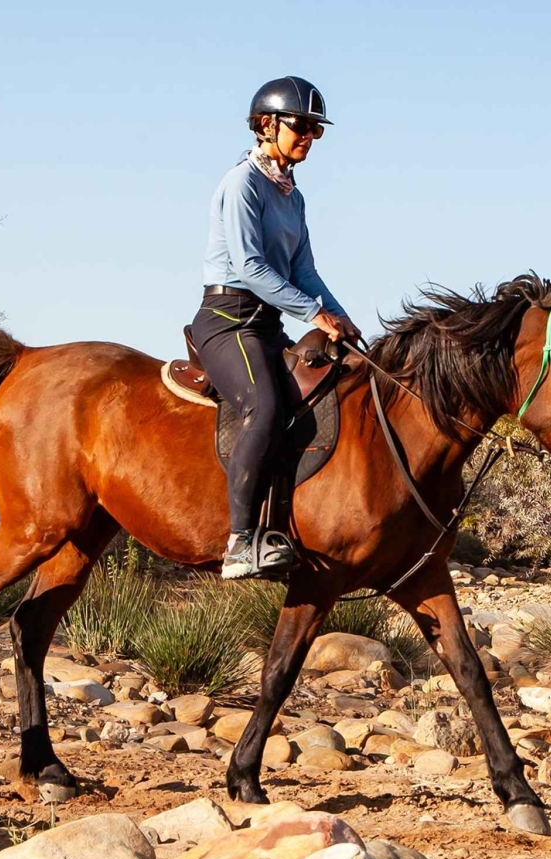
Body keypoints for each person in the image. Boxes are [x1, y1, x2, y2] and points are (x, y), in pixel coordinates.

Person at [193, 75, 360, 580]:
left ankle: (280, 528)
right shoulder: (242, 183)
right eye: (301, 126)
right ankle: (240, 541)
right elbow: (248, 265)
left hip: (265, 323)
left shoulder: (293, 195)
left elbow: (304, 272)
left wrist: (340, 316)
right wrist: (312, 314)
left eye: (316, 130)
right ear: (266, 124)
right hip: (227, 319)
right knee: (264, 407)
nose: (308, 136)